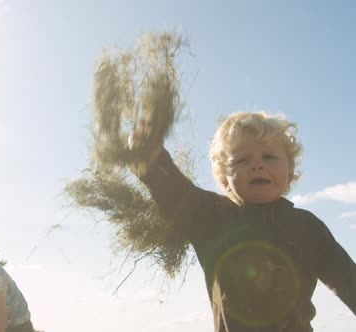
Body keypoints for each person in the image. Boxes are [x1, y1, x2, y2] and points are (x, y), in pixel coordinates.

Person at [130, 111, 356, 331]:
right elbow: (174, 190)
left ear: (289, 172)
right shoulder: (211, 217)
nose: (257, 165)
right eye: (242, 160)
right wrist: (149, 155)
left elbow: (348, 279)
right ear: (223, 179)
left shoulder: (307, 227)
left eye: (269, 156)